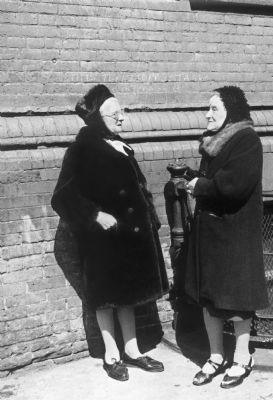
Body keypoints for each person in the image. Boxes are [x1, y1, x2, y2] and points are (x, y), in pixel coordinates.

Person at [51, 84, 169, 381]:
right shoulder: (81, 149)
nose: (122, 118)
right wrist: (94, 215)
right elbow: (62, 197)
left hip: (130, 239)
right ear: (97, 118)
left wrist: (150, 221)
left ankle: (133, 351)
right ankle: (111, 354)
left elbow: (139, 190)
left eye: (122, 112)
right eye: (115, 113)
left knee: (127, 295)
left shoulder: (121, 146)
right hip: (102, 241)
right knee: (105, 298)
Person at [184, 86, 268, 389]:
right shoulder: (214, 142)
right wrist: (191, 176)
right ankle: (216, 356)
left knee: (236, 302)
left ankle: (243, 358)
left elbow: (234, 185)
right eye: (207, 109)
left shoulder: (246, 140)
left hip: (234, 234)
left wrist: (199, 186)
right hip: (210, 233)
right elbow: (216, 179)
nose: (207, 114)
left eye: (214, 109)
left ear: (230, 111)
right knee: (210, 300)